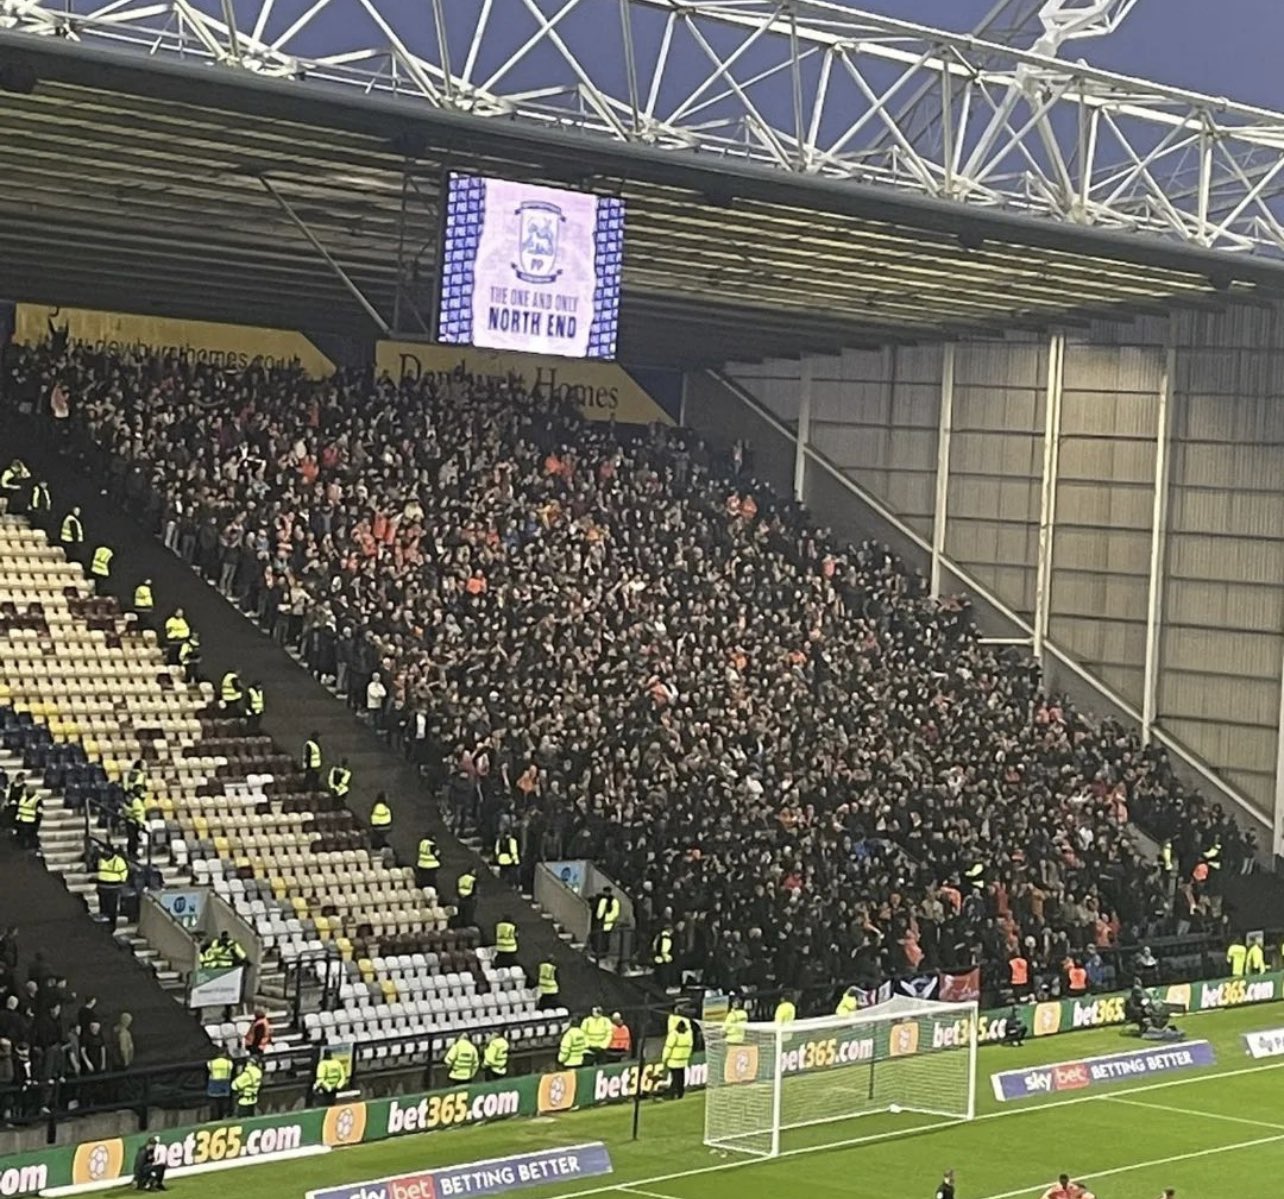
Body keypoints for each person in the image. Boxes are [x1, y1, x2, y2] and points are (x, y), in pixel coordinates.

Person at [95, 843, 129, 925]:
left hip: (108, 887)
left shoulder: (104, 860)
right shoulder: (114, 860)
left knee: (108, 906)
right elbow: (123, 873)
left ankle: (109, 922)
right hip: (107, 887)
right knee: (107, 906)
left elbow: (123, 872)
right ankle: (107, 922)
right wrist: (123, 881)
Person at [662, 1016, 694, 1099]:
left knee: (675, 1078)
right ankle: (680, 1093)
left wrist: (664, 1058)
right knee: (681, 1077)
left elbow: (668, 1047)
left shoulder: (674, 1035)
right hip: (683, 1060)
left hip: (674, 1060)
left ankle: (671, 1094)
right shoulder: (688, 1035)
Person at [590, 886, 621, 960]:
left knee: (600, 938)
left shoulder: (601, 899)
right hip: (606, 922)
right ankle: (602, 953)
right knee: (604, 938)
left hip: (602, 922)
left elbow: (599, 913)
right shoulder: (612, 900)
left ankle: (599, 953)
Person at [206, 1047, 234, 1118]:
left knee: (214, 1107)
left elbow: (208, 1067)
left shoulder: (211, 1063)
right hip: (225, 1086)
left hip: (213, 1086)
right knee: (224, 1106)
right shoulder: (229, 1063)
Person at [14, 787, 42, 853]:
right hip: (21, 821)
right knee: (21, 837)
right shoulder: (23, 797)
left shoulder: (37, 800)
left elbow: (39, 812)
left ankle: (32, 848)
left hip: (31, 822)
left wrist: (37, 823)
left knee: (30, 837)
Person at [651, 923, 676, 990]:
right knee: (664, 976)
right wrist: (668, 958)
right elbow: (665, 950)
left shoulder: (658, 936)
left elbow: (654, 947)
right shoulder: (667, 938)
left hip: (657, 958)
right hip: (664, 960)